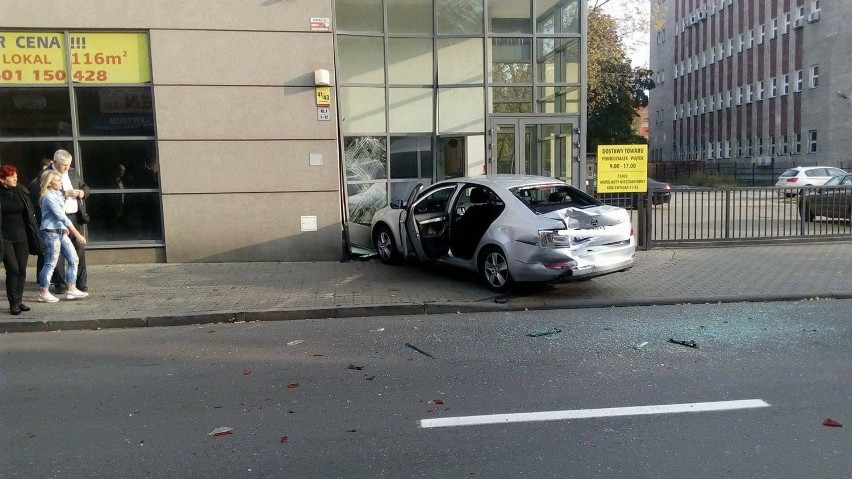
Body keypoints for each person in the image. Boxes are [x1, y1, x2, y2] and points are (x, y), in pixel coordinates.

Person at [31, 149, 91, 293]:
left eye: (68, 165)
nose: (65, 168)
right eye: (63, 165)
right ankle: (61, 284)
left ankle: (79, 282)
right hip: (57, 220)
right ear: (55, 161)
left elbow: (85, 186)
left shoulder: (72, 172)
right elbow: (41, 193)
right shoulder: (46, 175)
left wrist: (83, 193)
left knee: (78, 251)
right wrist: (66, 193)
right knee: (56, 254)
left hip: (75, 216)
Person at [0, 165, 44, 314]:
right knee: (12, 269)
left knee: (22, 269)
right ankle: (13, 303)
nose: (15, 178)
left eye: (16, 175)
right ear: (2, 179)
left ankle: (19, 300)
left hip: (22, 236)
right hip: (4, 238)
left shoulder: (21, 191)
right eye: (11, 176)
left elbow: (30, 212)